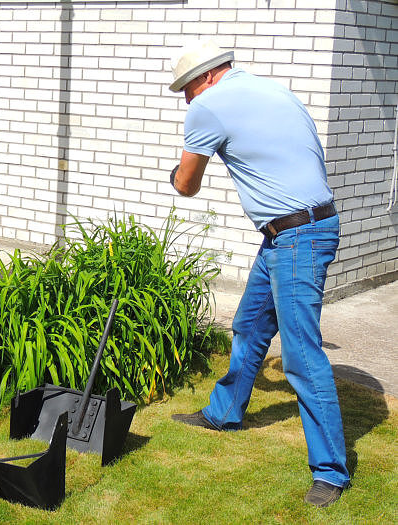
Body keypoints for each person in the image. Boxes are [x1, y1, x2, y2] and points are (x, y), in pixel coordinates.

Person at [167, 39, 350, 508]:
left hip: (296, 237)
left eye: (186, 89)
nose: (187, 100)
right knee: (249, 325)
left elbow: (187, 185)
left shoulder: (207, 107)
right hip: (299, 228)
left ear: (206, 77)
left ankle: (330, 472)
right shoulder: (275, 91)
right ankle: (224, 411)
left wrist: (175, 175)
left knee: (301, 355)